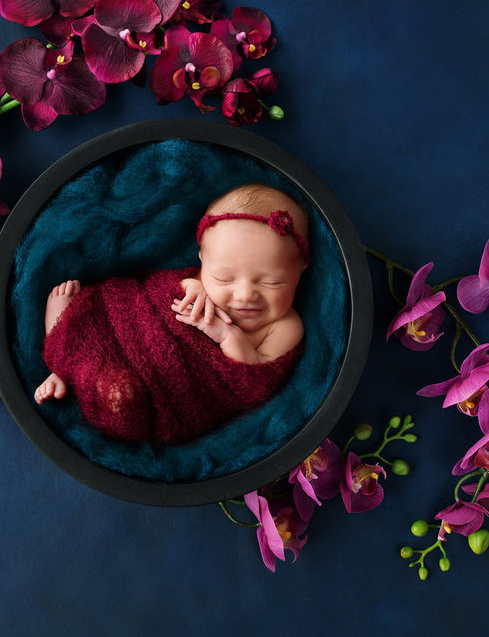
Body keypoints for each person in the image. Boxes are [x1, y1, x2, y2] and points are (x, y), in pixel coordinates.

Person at [33, 184, 309, 445]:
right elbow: (165, 289)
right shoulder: (200, 279)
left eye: (271, 282)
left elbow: (254, 382)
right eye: (223, 278)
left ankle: (73, 370)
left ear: (301, 267)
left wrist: (228, 334)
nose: (245, 295)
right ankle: (66, 354)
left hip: (173, 394)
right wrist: (193, 286)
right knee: (99, 315)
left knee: (122, 396)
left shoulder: (285, 326)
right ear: (202, 259)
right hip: (137, 329)